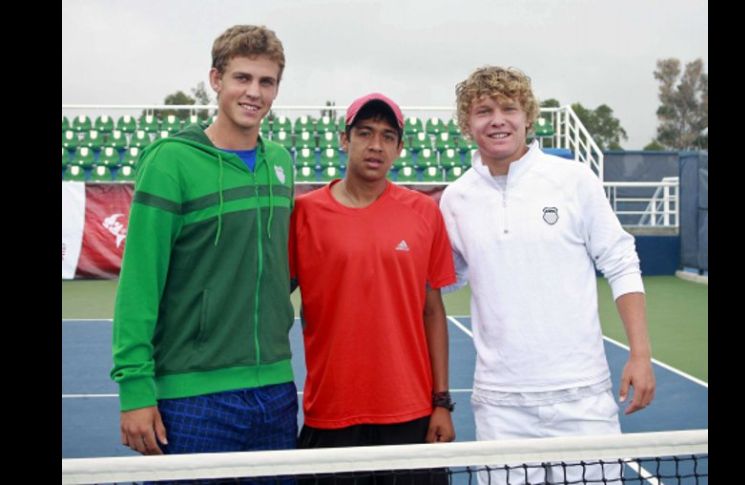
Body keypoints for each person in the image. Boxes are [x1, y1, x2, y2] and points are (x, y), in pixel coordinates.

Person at [440, 66, 656, 484]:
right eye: (484, 110)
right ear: (468, 124)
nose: (498, 119)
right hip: (500, 408)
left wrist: (641, 355)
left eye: (509, 107)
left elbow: (620, 260)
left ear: (528, 117)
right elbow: (446, 279)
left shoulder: (573, 180)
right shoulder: (456, 199)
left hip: (583, 401)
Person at [110, 25, 298, 462]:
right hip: (193, 396)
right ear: (216, 81)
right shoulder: (169, 162)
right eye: (242, 78)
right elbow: (140, 283)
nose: (254, 92)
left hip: (275, 390)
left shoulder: (282, 164)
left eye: (266, 82)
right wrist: (136, 389)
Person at [289, 93, 456, 484]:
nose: (375, 145)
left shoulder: (424, 213)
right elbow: (273, 301)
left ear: (399, 148)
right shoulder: (304, 214)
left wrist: (442, 402)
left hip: (410, 414)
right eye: (364, 133)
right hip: (329, 413)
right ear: (344, 140)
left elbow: (433, 311)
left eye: (387, 136)